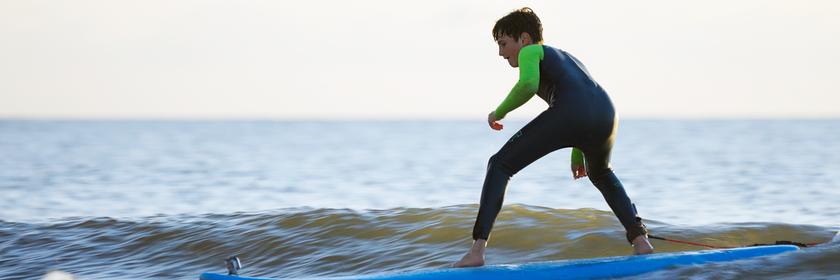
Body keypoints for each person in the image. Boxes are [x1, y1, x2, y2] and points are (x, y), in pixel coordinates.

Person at [453, 7, 654, 268]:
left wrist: (498, 112)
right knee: (601, 174)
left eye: (503, 44)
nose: (501, 53)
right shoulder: (566, 57)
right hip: (606, 114)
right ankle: (641, 241)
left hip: (573, 112)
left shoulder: (530, 51)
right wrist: (578, 150)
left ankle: (477, 251)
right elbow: (585, 97)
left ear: (523, 38)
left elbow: (528, 85)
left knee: (499, 164)